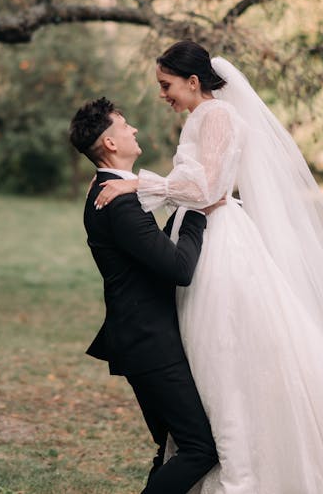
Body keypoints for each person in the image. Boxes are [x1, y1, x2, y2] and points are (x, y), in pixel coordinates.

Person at [94, 40, 323, 494]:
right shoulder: (201, 117)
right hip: (200, 233)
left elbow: (207, 188)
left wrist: (138, 185)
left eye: (166, 84)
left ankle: (243, 470)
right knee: (209, 352)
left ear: (194, 82)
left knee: (226, 351)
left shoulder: (217, 115)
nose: (163, 94)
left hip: (220, 242)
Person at [69, 97, 219, 494]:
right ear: (111, 143)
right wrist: (197, 213)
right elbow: (179, 269)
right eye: (124, 124)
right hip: (148, 341)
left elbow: (149, 246)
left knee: (170, 447)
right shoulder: (117, 201)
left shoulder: (110, 190)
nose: (133, 129)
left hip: (140, 337)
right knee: (198, 449)